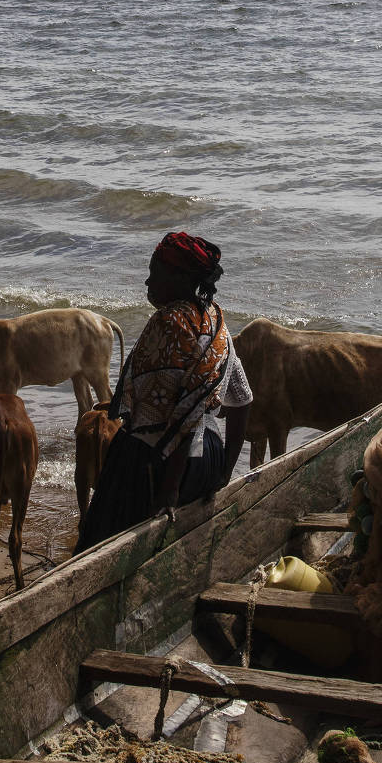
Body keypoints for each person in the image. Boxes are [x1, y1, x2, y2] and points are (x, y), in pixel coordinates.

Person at [75, 231, 251, 551]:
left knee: (104, 528)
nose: (147, 283)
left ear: (181, 278)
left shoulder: (169, 322)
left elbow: (184, 419)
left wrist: (170, 489)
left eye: (155, 274)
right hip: (208, 458)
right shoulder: (214, 319)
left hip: (166, 464)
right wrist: (225, 470)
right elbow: (241, 400)